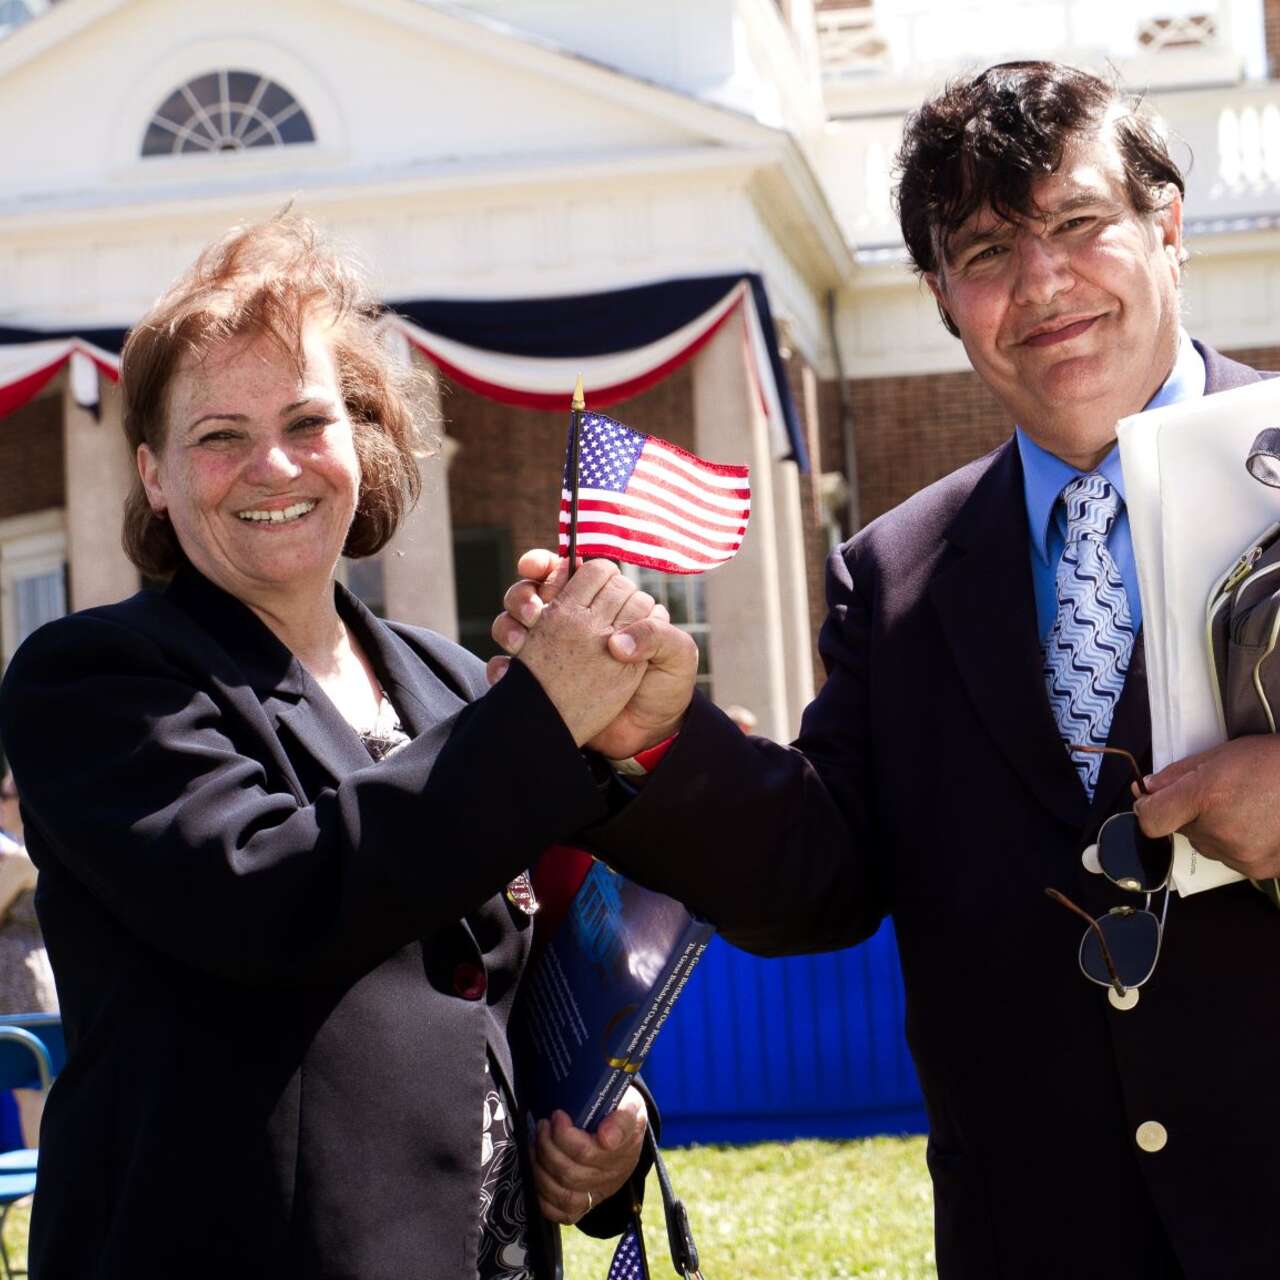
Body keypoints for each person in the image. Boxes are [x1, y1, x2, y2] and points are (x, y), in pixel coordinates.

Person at [492, 63, 1280, 1278]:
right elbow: (818, 882)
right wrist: (659, 729)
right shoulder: (892, 571)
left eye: (1077, 224)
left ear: (1166, 226)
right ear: (939, 297)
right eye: (984, 250)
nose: (1041, 283)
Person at [0, 215, 698, 1278]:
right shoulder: (91, 679)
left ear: (359, 444)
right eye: (218, 433)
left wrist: (600, 1117)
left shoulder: (451, 679)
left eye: (306, 419)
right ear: (152, 473)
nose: (270, 463)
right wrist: (538, 717)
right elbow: (277, 895)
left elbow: (516, 970)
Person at [0, 768, 55, 1147]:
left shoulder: (22, 859)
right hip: (46, 966)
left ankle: (38, 1178)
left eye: (4, 797)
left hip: (21, 975)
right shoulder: (52, 847)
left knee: (31, 1084)